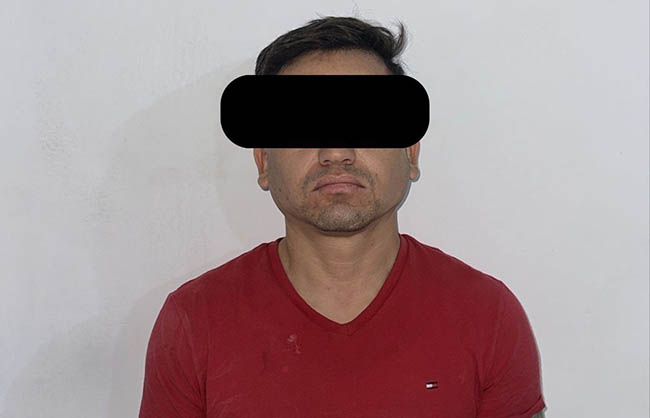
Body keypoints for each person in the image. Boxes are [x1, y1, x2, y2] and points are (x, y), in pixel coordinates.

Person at [139, 15, 547, 418]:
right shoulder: (194, 321)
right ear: (264, 161)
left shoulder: (487, 316)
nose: (336, 152)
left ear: (410, 153)